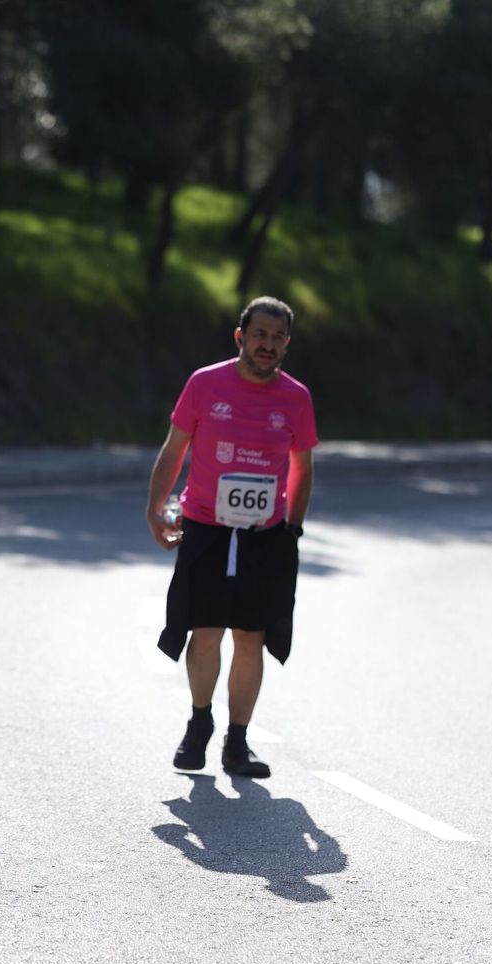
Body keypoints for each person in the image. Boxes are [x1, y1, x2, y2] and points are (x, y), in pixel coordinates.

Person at [145, 296, 318, 779]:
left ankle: (237, 742)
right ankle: (199, 722)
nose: (268, 344)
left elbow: (303, 466)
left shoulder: (296, 397)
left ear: (286, 344)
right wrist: (156, 508)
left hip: (265, 534)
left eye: (277, 337)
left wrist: (293, 528)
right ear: (241, 337)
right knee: (205, 631)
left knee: (251, 637)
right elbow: (175, 448)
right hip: (206, 526)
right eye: (259, 334)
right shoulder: (205, 383)